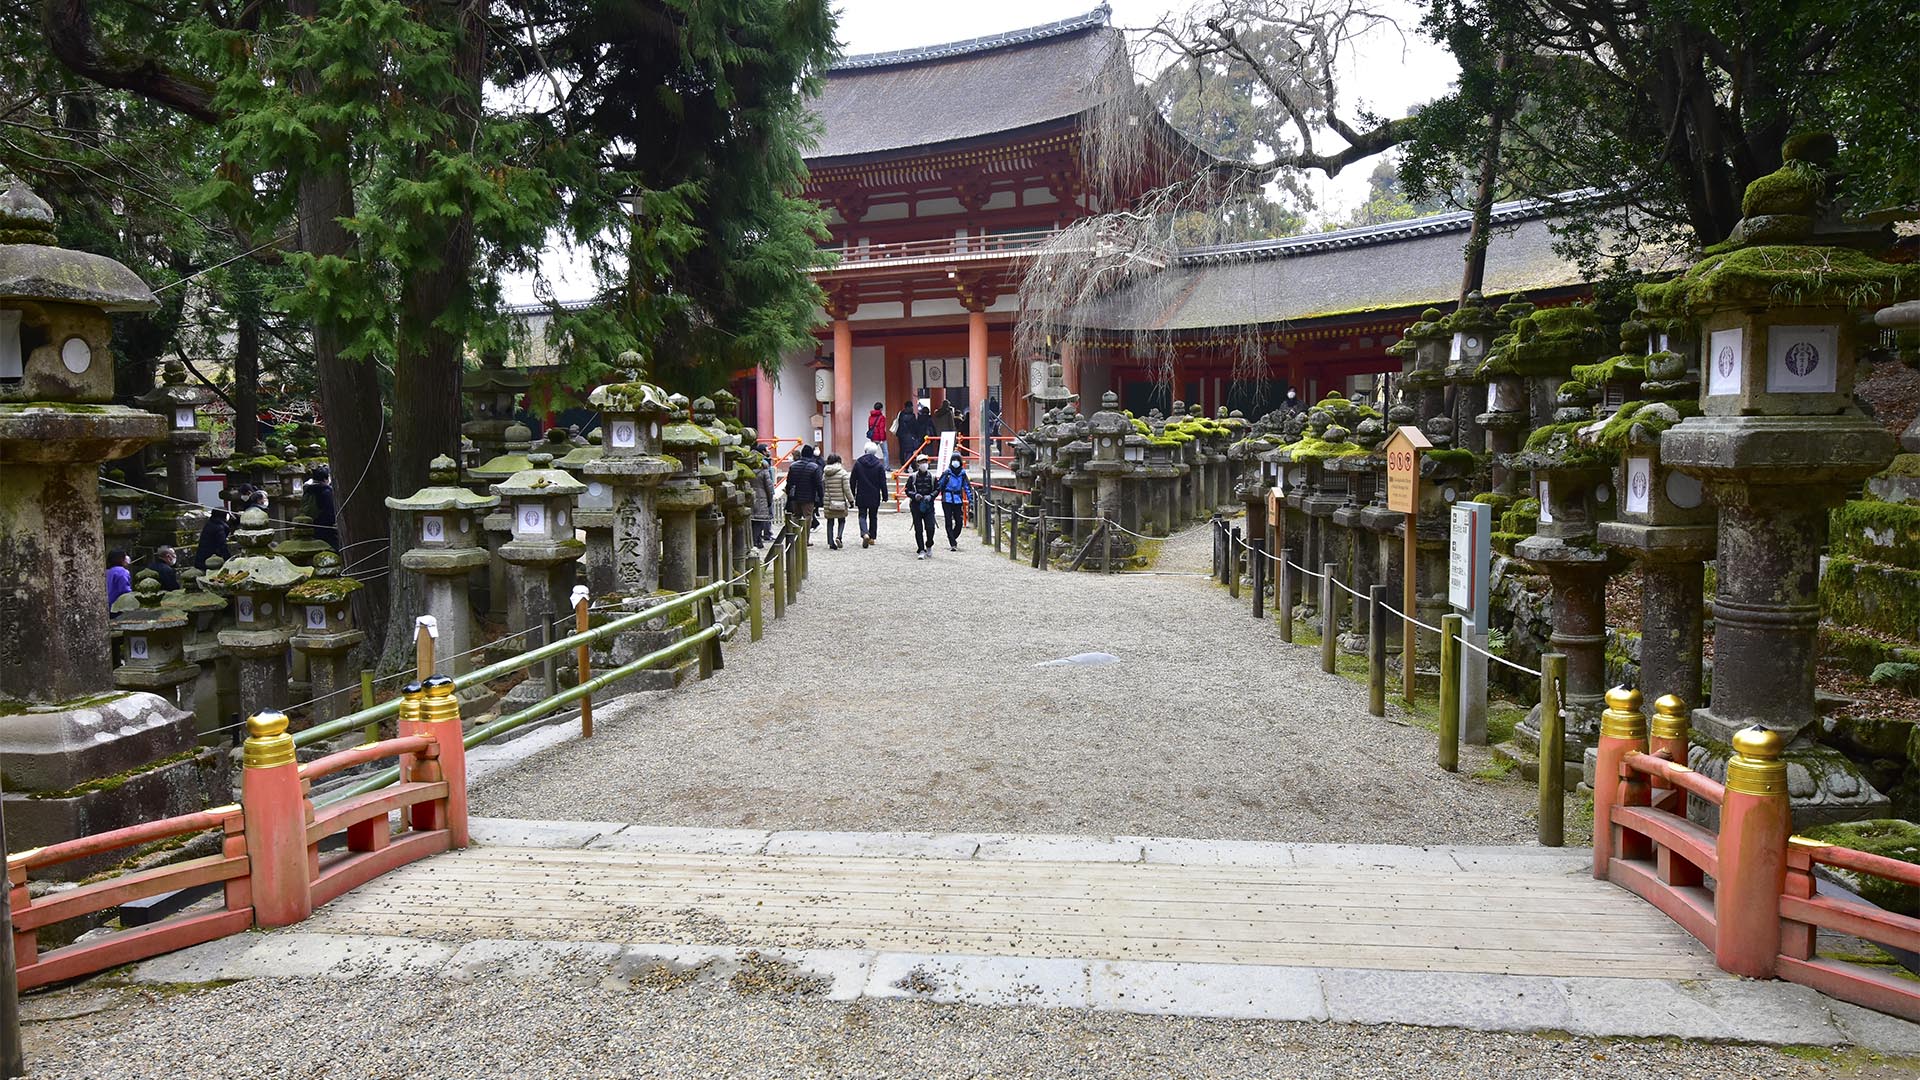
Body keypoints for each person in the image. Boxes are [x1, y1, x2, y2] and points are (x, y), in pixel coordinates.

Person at [850, 441, 889, 548]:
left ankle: (865, 533)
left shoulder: (858, 463)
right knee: (873, 516)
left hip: (862, 493)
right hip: (874, 494)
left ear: (865, 450)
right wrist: (885, 495)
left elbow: (852, 480)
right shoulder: (879, 465)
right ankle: (872, 537)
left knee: (862, 515)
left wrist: (852, 493)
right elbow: (883, 482)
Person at [784, 444, 824, 545]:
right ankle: (805, 539)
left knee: (796, 516)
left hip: (795, 496)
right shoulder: (814, 467)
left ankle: (795, 538)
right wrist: (821, 497)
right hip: (808, 496)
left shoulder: (793, 466)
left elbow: (789, 482)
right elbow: (819, 484)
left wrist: (789, 494)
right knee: (807, 517)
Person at [937, 453, 973, 552]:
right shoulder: (947, 473)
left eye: (957, 460)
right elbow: (939, 485)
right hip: (947, 499)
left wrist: (971, 500)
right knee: (948, 520)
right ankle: (952, 542)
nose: (955, 462)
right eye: (954, 460)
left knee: (959, 522)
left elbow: (967, 487)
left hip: (957, 499)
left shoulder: (962, 474)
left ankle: (953, 536)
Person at [905, 456, 938, 559]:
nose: (924, 464)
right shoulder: (913, 477)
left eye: (925, 462)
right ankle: (921, 549)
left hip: (928, 506)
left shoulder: (932, 477)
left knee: (930, 527)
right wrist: (914, 495)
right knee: (918, 529)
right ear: (917, 464)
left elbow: (937, 489)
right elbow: (907, 490)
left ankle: (929, 544)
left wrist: (931, 496)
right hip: (916, 506)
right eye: (921, 462)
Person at [820, 453, 852, 549]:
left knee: (830, 521)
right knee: (841, 520)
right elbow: (847, 489)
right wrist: (851, 500)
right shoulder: (843, 473)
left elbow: (823, 486)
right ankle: (839, 536)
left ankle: (830, 542)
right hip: (840, 500)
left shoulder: (825, 473)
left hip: (828, 500)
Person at [303, 464, 337, 548]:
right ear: (326, 478)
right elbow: (330, 511)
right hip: (325, 526)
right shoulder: (327, 491)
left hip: (311, 524)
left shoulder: (308, 489)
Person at [750, 445, 776, 547]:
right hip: (762, 497)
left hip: (752, 496)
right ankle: (756, 541)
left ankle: (757, 540)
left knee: (753, 521)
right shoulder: (764, 470)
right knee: (760, 521)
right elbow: (769, 487)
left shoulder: (749, 469)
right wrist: (770, 499)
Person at [865, 402, 890, 468]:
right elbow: (881, 429)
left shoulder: (870, 417)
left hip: (873, 437)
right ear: (881, 409)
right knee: (885, 452)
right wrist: (882, 439)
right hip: (881, 437)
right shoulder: (882, 417)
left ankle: (870, 466)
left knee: (872, 452)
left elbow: (870, 427)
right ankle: (886, 467)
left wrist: (872, 437)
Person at [893, 399, 918, 466]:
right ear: (910, 407)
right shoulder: (912, 416)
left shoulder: (901, 414)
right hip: (910, 435)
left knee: (902, 450)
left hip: (901, 435)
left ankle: (903, 464)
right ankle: (912, 465)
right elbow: (915, 427)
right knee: (910, 451)